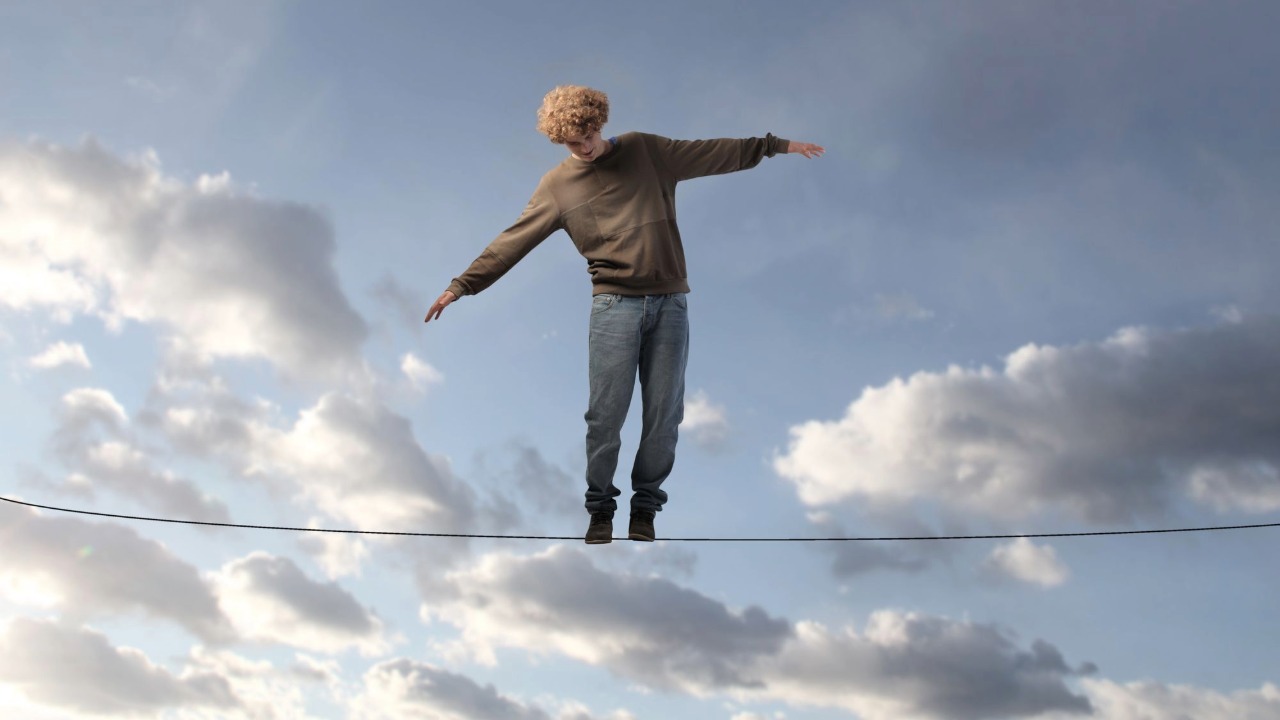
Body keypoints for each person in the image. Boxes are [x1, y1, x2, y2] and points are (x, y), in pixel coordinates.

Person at [425, 85, 824, 544]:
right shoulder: (557, 186)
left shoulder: (646, 150)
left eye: (589, 135)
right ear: (561, 143)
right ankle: (600, 509)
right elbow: (512, 241)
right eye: (574, 143)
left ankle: (646, 508)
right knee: (606, 416)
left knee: (664, 415)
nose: (585, 147)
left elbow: (713, 153)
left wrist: (775, 146)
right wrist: (461, 286)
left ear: (600, 123)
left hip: (670, 304)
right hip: (614, 306)